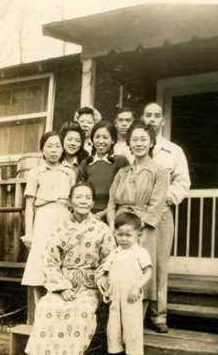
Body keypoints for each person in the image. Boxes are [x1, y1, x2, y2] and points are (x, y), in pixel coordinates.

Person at [25, 182, 116, 355]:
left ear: (92, 202)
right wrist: (61, 287)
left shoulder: (101, 229)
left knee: (80, 310)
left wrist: (99, 280)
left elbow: (109, 260)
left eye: (87, 197)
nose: (83, 201)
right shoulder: (60, 229)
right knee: (48, 307)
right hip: (62, 282)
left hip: (89, 285)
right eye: (78, 197)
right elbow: (49, 261)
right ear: (70, 202)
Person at [107, 121, 169, 326]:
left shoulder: (160, 171)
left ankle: (140, 321)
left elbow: (157, 204)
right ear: (129, 143)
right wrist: (112, 225)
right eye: (135, 139)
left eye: (144, 139)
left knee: (143, 269)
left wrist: (136, 228)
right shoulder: (123, 172)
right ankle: (119, 320)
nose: (139, 143)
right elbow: (112, 202)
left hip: (143, 228)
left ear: (151, 142)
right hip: (121, 228)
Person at [141, 102, 191, 333]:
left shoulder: (173, 150)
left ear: (163, 121)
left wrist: (162, 199)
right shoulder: (132, 147)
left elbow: (182, 182)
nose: (152, 119)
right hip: (134, 214)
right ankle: (135, 314)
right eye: (148, 115)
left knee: (159, 264)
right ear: (142, 118)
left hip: (161, 214)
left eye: (157, 116)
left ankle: (158, 316)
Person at [21, 131, 76, 308]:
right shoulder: (35, 173)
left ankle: (59, 310)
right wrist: (29, 231)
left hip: (63, 218)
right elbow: (29, 204)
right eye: (49, 146)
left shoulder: (69, 173)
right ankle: (40, 311)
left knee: (61, 262)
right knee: (40, 263)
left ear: (62, 149)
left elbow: (73, 203)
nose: (53, 150)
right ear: (42, 149)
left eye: (57, 146)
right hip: (43, 220)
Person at [96, 212, 152, 355]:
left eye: (128, 235)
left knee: (132, 324)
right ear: (114, 234)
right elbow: (106, 273)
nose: (124, 239)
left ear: (138, 234)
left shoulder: (140, 252)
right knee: (113, 325)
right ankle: (114, 353)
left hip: (131, 296)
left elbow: (148, 273)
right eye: (120, 235)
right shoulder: (114, 253)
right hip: (114, 295)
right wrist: (106, 290)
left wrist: (137, 287)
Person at [77, 121, 129, 219]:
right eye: (97, 137)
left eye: (105, 137)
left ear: (113, 140)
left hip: (114, 215)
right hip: (87, 215)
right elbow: (79, 191)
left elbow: (124, 192)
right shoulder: (86, 163)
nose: (101, 141)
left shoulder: (121, 161)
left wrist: (105, 213)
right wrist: (89, 214)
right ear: (92, 139)